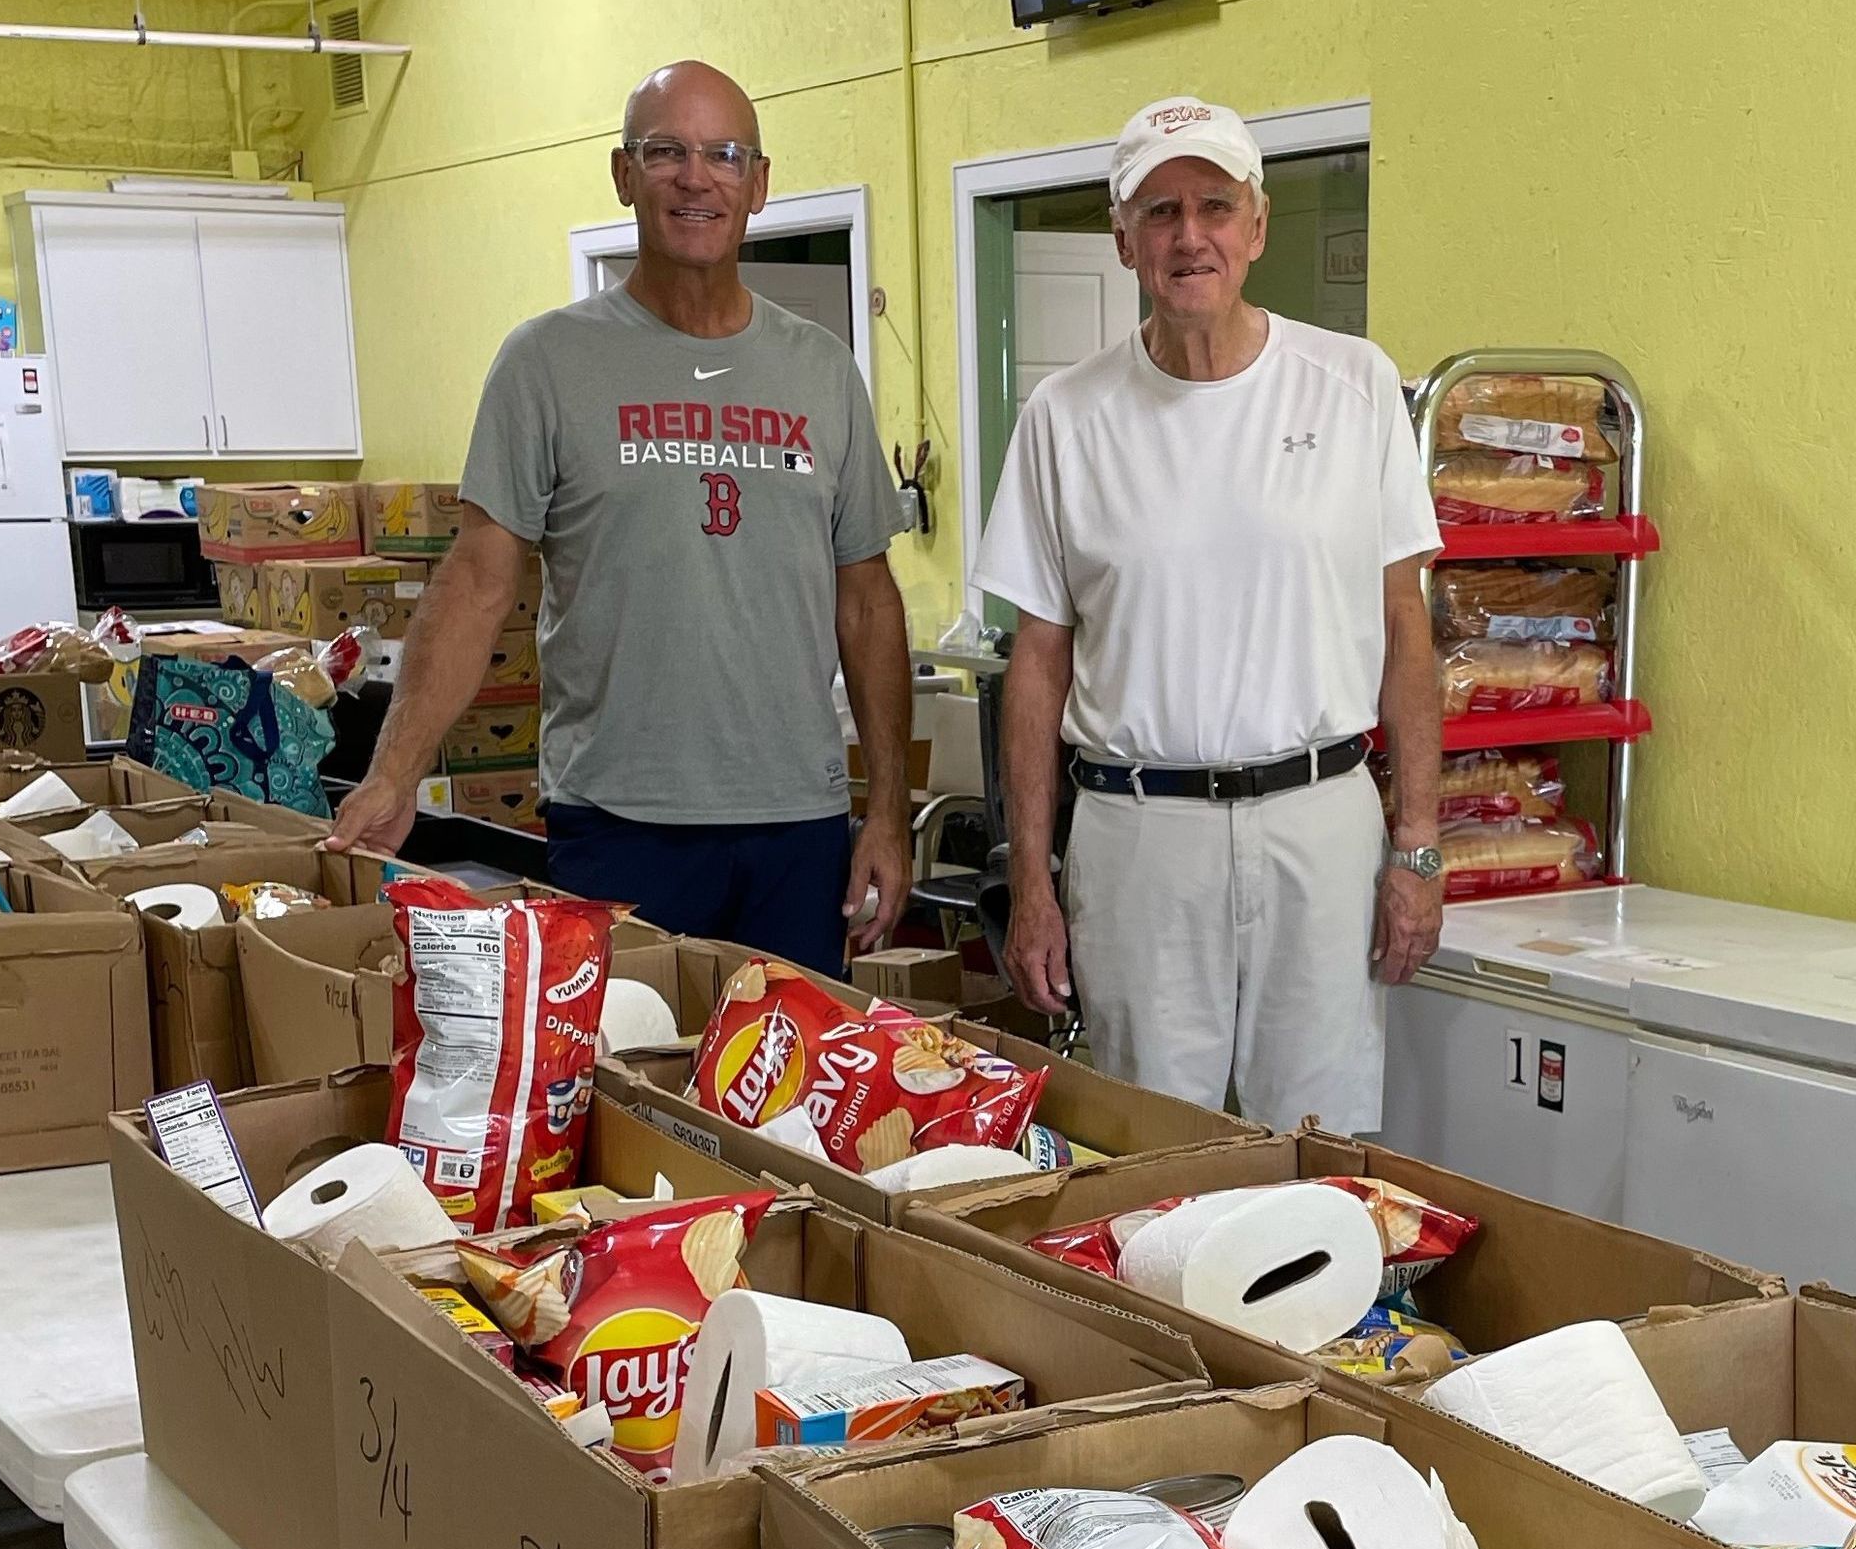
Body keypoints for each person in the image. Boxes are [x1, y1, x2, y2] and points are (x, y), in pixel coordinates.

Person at [329, 60, 912, 976]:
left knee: (788, 1110)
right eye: (665, 151)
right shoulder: (548, 363)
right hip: (618, 824)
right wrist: (395, 772)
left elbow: (868, 601)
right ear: (622, 173)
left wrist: (886, 811)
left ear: (759, 184)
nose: (695, 177)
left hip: (797, 828)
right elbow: (480, 581)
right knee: (616, 1094)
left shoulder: (822, 372)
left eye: (723, 154)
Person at [976, 96, 1444, 1134]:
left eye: (1216, 206)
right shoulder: (1066, 417)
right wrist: (1033, 882)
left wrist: (1416, 846)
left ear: (1258, 227)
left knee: (1319, 1152)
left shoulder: (1353, 386)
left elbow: (1407, 628)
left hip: (1320, 825)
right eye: (1160, 211)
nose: (1191, 236)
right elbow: (1037, 663)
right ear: (1123, 240)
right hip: (1140, 837)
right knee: (1149, 1147)